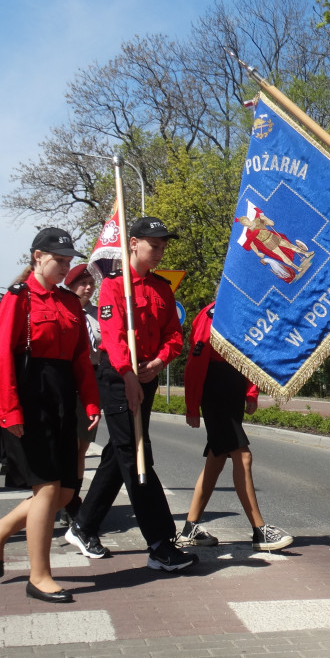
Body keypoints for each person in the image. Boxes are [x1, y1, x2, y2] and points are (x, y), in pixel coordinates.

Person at [64, 217, 197, 573]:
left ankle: (83, 525)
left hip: (146, 375)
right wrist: (128, 374)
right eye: (154, 245)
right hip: (118, 377)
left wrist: (157, 363)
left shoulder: (162, 289)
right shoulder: (112, 286)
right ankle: (160, 543)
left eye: (164, 245)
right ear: (134, 244)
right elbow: (112, 335)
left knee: (118, 454)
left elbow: (174, 336)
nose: (160, 251)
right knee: (137, 454)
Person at [0, 229, 100, 603]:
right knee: (46, 488)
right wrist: (8, 410)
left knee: (64, 492)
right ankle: (39, 575)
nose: (64, 267)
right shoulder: (19, 299)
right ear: (37, 257)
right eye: (58, 260)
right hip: (32, 399)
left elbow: (81, 357)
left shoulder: (68, 302)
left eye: (67, 261)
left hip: (64, 397)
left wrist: (92, 402)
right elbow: (1, 357)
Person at [177, 300, 293, 552]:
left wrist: (251, 392)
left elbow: (252, 353)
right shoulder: (212, 313)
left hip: (234, 389)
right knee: (243, 456)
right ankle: (259, 530)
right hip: (215, 388)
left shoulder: (248, 310)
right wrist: (192, 405)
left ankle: (190, 527)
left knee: (216, 458)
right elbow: (196, 361)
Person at [59, 262, 101, 525]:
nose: (87, 288)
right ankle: (62, 498)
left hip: (92, 381)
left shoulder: (99, 315)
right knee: (67, 447)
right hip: (66, 380)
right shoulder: (63, 310)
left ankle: (72, 497)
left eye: (90, 284)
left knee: (82, 446)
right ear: (70, 285)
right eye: (82, 284)